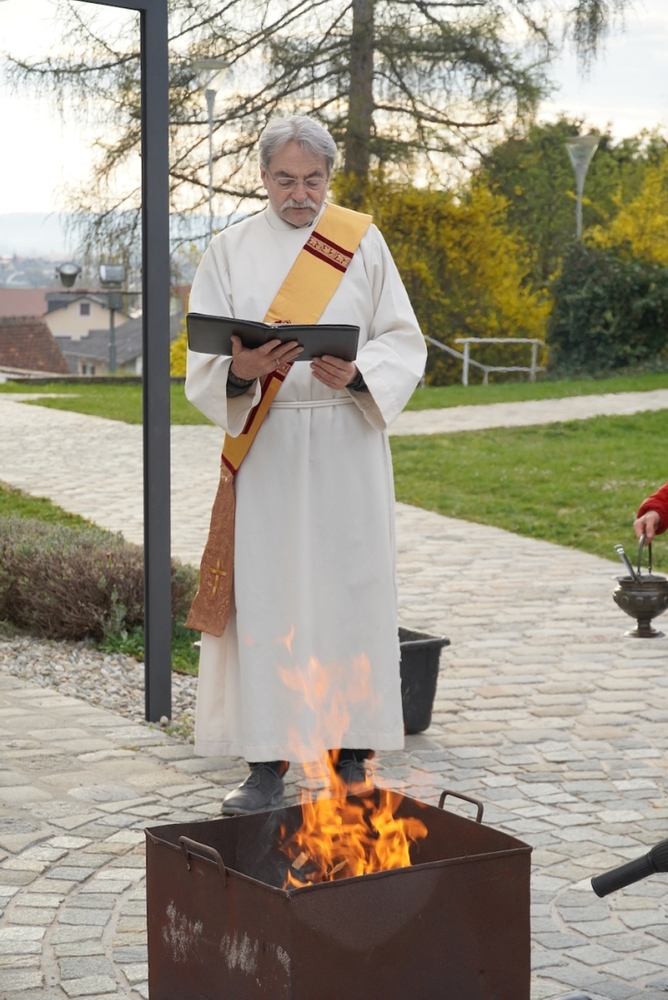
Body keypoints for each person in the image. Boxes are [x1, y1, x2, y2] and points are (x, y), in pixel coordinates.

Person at [185, 114, 426, 815]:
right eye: (286, 180)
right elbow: (206, 359)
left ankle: (353, 758)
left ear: (329, 178)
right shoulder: (229, 250)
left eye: (313, 181)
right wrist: (242, 370)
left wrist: (359, 374)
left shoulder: (361, 241)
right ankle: (266, 762)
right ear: (263, 177)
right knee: (269, 598)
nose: (300, 194)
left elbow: (403, 340)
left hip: (348, 440)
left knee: (353, 595)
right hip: (269, 444)